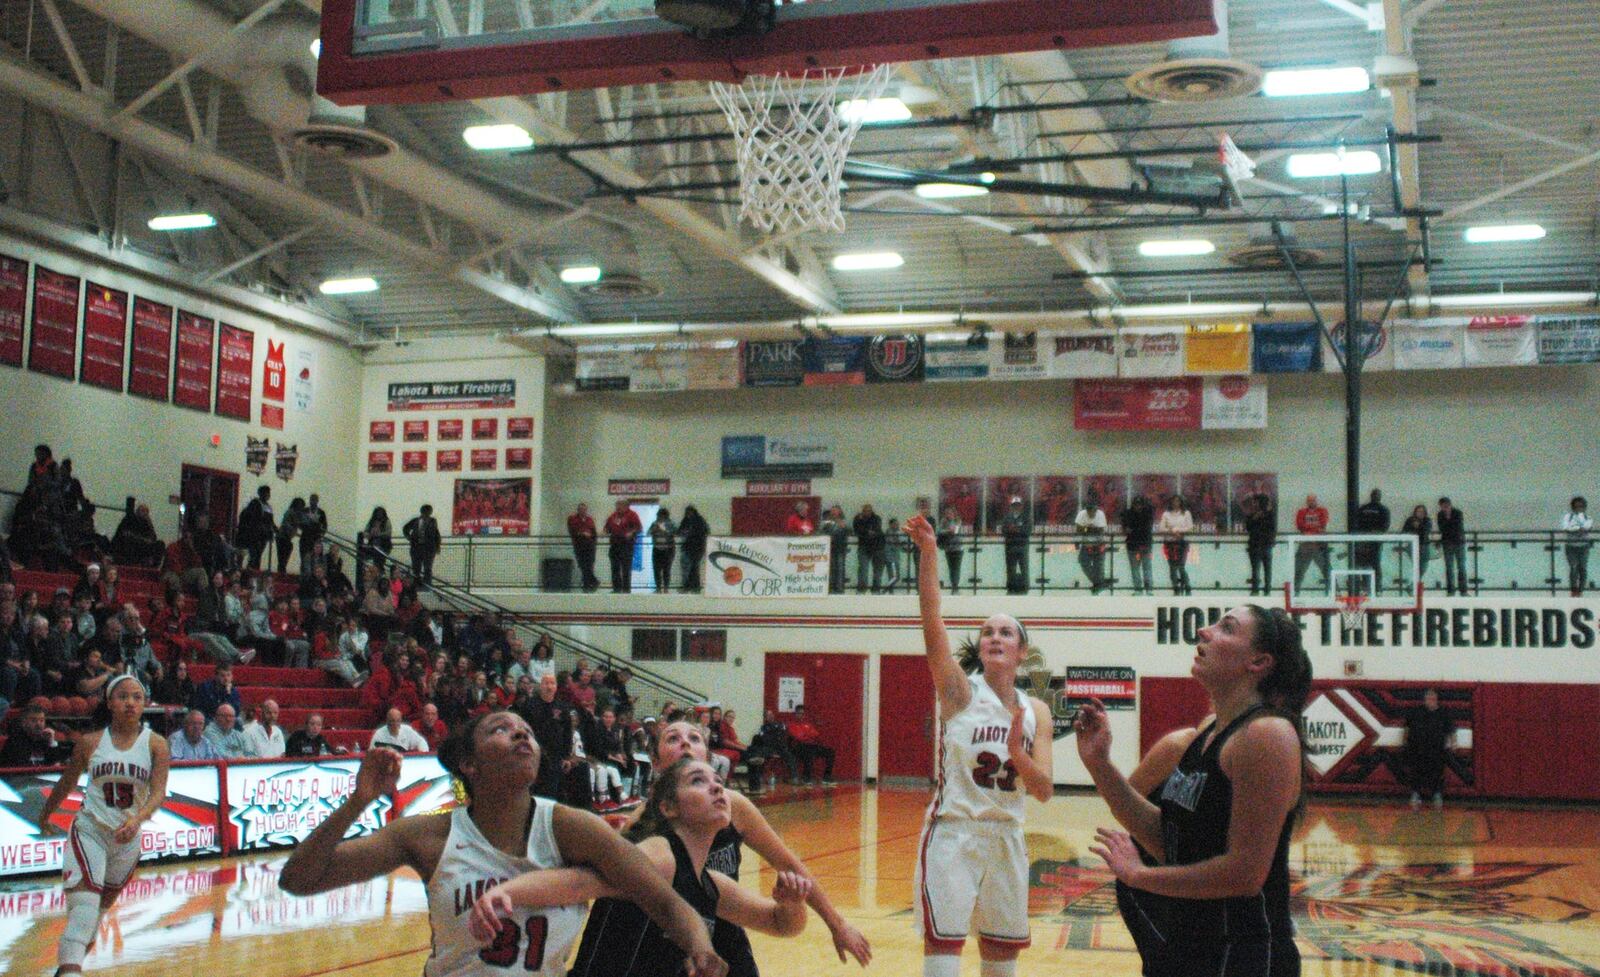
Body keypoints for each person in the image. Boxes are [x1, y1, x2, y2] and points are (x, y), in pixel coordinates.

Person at [279, 712, 727, 977]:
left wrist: (701, 950)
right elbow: (298, 880)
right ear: (469, 765)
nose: (521, 735)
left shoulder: (572, 828)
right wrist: (357, 801)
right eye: (500, 729)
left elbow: (666, 903)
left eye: (526, 731)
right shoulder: (428, 835)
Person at [1077, 604, 1310, 977]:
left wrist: (1140, 877)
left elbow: (1245, 873)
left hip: (1244, 955)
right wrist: (1100, 765)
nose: (1204, 631)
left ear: (1258, 662)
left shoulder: (1267, 734)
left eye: (1227, 628)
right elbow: (1173, 843)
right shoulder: (1208, 732)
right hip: (1189, 945)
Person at [475, 757, 810, 977]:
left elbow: (781, 924)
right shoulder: (661, 856)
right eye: (698, 781)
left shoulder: (709, 884)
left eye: (718, 781)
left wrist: (792, 902)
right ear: (668, 807)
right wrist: (507, 892)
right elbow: (582, 883)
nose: (717, 787)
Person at [904, 512, 1052, 977]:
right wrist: (929, 554)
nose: (994, 637)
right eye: (988, 631)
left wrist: (1020, 751)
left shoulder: (1037, 712)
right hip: (955, 833)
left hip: (1007, 837)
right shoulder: (959, 691)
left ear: (1021, 652)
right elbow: (932, 623)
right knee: (944, 953)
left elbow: (1044, 791)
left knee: (1002, 961)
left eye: (1005, 632)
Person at [638, 721, 873, 975]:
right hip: (662, 943)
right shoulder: (648, 833)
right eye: (673, 738)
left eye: (695, 738)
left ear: (708, 757)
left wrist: (836, 924)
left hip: (726, 934)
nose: (685, 743)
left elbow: (788, 871)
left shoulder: (730, 811)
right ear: (656, 762)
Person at [38, 675, 170, 976]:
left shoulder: (156, 744)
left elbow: (158, 792)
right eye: (123, 697)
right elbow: (67, 782)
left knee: (95, 913)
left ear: (144, 703)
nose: (130, 703)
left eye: (137, 697)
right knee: (85, 908)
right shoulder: (90, 742)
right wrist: (45, 814)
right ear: (110, 703)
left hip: (127, 840)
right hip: (90, 830)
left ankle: (67, 968)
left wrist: (137, 820)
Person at [1401, 688, 1454, 809]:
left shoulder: (1443, 713)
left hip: (1437, 750)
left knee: (1437, 773)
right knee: (1416, 773)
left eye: (1432, 698)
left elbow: (1451, 730)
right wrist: (1404, 742)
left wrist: (1453, 744)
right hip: (1417, 749)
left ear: (1437, 700)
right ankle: (1415, 794)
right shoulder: (1416, 712)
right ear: (1424, 700)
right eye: (1428, 698)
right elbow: (1407, 728)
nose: (1430, 700)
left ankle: (1437, 795)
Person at [0, 701, 67, 766]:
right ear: (24, 722)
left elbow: (56, 764)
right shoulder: (15, 741)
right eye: (33, 720)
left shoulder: (45, 739)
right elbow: (21, 767)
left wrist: (52, 742)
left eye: (41, 720)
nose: (38, 724)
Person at [1292, 494, 1330, 592]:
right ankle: (1295, 592)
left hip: (1319, 545)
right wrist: (1315, 528)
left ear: (1316, 501)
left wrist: (1308, 529)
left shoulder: (1322, 511)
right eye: (1309, 500)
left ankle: (1331, 592)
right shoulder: (1301, 512)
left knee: (1326, 570)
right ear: (1307, 502)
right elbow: (1300, 525)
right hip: (1305, 545)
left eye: (1313, 500)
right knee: (1299, 571)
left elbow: (1323, 523)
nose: (1311, 502)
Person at [1158, 496, 1195, 596]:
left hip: (1183, 542)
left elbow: (1190, 527)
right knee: (1172, 567)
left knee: (1181, 566)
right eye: (1174, 501)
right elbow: (1161, 528)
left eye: (1178, 501)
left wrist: (1178, 531)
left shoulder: (1186, 513)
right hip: (1169, 543)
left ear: (1181, 502)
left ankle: (1187, 586)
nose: (1176, 503)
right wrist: (1172, 532)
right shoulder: (1166, 514)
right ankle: (1176, 588)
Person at [1074, 492, 1109, 594]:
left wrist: (1087, 529)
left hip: (1099, 544)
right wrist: (1088, 529)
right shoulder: (1081, 514)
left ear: (1096, 509)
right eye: (1088, 510)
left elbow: (1101, 530)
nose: (1090, 512)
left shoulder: (1100, 514)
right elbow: (1079, 530)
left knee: (1099, 567)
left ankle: (1097, 587)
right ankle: (1099, 584)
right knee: (1083, 562)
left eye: (1092, 510)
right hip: (1086, 544)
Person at [605, 501, 642, 594]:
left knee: (626, 569)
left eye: (619, 505)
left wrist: (632, 532)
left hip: (626, 546)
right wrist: (605, 531)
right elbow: (607, 528)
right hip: (614, 545)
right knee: (615, 568)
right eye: (616, 505)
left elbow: (639, 528)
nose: (617, 507)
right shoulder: (613, 516)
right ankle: (616, 589)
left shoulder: (632, 515)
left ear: (625, 505)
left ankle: (626, 591)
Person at [1122, 494, 1156, 596]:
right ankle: (1138, 589)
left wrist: (1134, 530)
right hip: (1132, 545)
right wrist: (1137, 530)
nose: (1138, 506)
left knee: (1147, 567)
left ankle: (1149, 589)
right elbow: (1126, 529)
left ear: (1142, 505)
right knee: (1135, 568)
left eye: (1140, 504)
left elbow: (1146, 529)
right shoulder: (1128, 514)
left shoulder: (1147, 514)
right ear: (1133, 505)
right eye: (1136, 504)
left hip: (1145, 545)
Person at [1354, 489, 1391, 580]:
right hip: (1363, 540)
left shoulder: (1383, 509)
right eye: (1374, 494)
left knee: (1375, 563)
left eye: (1377, 494)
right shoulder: (1363, 508)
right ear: (1371, 495)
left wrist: (1377, 532)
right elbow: (1356, 522)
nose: (1375, 496)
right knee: (1362, 563)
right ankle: (1364, 584)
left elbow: (1385, 526)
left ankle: (1377, 587)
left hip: (1375, 541)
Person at [1245, 494, 1277, 597]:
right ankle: (1256, 589)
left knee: (1266, 568)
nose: (1254, 504)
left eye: (1256, 502)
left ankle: (1266, 589)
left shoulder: (1269, 515)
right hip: (1256, 545)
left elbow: (1272, 529)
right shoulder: (1253, 515)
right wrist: (1254, 518)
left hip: (1264, 545)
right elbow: (1248, 527)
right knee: (1256, 569)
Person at [237, 486, 276, 571]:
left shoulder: (269, 507)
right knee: (254, 555)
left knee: (258, 555)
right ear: (260, 494)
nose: (267, 495)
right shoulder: (255, 503)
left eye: (268, 493)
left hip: (264, 536)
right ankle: (250, 571)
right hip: (254, 535)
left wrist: (275, 530)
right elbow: (253, 520)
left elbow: (271, 521)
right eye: (265, 493)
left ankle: (255, 570)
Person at [404, 504, 443, 588]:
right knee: (416, 568)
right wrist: (409, 537)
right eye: (425, 512)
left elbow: (436, 534)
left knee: (427, 568)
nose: (426, 514)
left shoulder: (432, 521)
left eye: (428, 512)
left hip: (428, 548)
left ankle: (426, 585)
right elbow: (405, 528)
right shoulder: (416, 521)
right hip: (417, 547)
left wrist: (437, 545)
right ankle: (417, 584)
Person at [999, 497, 1031, 595]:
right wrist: (1015, 530)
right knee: (1010, 569)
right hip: (1010, 547)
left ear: (1021, 506)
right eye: (1014, 505)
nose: (1016, 507)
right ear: (1011, 506)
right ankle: (1010, 588)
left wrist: (1015, 530)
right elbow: (1004, 530)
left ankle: (1025, 588)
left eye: (1018, 505)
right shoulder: (1007, 518)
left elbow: (1027, 531)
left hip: (1022, 546)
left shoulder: (1026, 517)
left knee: (1024, 568)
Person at [1562, 496, 1592, 596]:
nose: (1579, 509)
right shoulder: (1568, 517)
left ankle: (1581, 590)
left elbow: (1586, 527)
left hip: (1584, 546)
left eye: (1581, 506)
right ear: (1573, 507)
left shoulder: (1588, 518)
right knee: (1573, 567)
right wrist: (1578, 528)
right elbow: (1566, 527)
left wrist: (1576, 526)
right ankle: (1574, 589)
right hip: (1571, 546)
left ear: (1584, 507)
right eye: (1576, 507)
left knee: (1583, 568)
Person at [853, 504, 886, 594]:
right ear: (862, 511)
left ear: (871, 511)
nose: (867, 512)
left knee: (878, 571)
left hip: (878, 547)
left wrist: (864, 530)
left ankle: (876, 590)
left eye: (869, 511)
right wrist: (867, 531)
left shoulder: (877, 518)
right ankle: (861, 589)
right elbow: (857, 530)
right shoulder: (857, 518)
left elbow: (876, 530)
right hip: (864, 547)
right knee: (863, 569)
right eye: (865, 511)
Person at [567, 503, 600, 591]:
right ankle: (593, 581)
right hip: (579, 545)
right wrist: (582, 534)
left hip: (590, 546)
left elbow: (594, 533)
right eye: (581, 509)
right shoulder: (572, 519)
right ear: (578, 510)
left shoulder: (590, 519)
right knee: (582, 565)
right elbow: (572, 531)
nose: (583, 511)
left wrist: (594, 542)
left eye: (584, 509)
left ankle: (587, 584)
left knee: (589, 564)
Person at [819, 505, 850, 594]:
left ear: (839, 512)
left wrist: (843, 526)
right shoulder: (826, 522)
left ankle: (839, 589)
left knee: (840, 569)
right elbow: (821, 531)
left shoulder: (844, 522)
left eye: (835, 511)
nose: (833, 513)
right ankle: (831, 588)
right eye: (832, 511)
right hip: (829, 549)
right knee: (830, 569)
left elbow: (850, 530)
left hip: (840, 548)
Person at [678, 506, 710, 593]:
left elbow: (704, 532)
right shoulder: (685, 520)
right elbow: (679, 531)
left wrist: (691, 533)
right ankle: (690, 586)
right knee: (687, 568)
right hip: (687, 547)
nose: (688, 514)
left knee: (694, 567)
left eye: (689, 512)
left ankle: (693, 586)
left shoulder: (699, 521)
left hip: (697, 547)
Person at [1401, 504, 1432, 590]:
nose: (1420, 513)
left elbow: (1426, 531)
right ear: (1415, 512)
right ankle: (1413, 587)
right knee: (1417, 566)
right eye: (1418, 511)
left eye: (1422, 511)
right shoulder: (1410, 520)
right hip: (1412, 545)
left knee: (1424, 567)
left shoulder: (1427, 520)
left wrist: (1419, 526)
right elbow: (1404, 531)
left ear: (1425, 513)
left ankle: (1412, 585)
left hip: (1424, 545)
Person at [936, 506, 965, 593]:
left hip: (957, 548)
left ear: (953, 513)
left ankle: (955, 586)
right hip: (948, 548)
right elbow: (939, 531)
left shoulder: (957, 521)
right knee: (951, 568)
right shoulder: (943, 522)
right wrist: (948, 530)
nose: (948, 515)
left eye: (949, 513)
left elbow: (954, 531)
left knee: (956, 568)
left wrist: (947, 531)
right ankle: (953, 584)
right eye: (946, 513)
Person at [650, 509, 678, 593]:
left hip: (668, 549)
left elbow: (676, 532)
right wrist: (654, 529)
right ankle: (658, 588)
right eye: (658, 516)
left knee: (666, 569)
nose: (659, 517)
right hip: (657, 549)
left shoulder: (671, 524)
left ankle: (666, 588)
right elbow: (648, 532)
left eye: (660, 516)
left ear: (665, 516)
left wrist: (665, 530)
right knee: (656, 569)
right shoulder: (654, 523)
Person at [275, 498, 305, 575]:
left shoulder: (298, 514)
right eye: (300, 506)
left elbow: (302, 524)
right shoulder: (290, 512)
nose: (301, 508)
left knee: (284, 555)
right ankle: (281, 571)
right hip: (282, 536)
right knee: (283, 557)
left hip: (286, 537)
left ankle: (282, 570)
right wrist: (295, 531)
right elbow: (286, 524)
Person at [364, 506, 394, 574]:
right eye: (377, 514)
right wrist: (368, 534)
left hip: (383, 545)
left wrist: (378, 534)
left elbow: (388, 533)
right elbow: (366, 531)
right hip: (373, 545)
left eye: (380, 514)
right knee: (374, 563)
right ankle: (375, 575)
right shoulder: (371, 521)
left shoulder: (386, 521)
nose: (379, 515)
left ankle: (380, 575)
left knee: (380, 563)